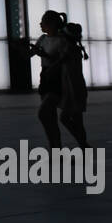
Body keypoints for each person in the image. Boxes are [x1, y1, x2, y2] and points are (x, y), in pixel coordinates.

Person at [29, 10, 89, 148]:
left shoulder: (65, 42)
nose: (40, 24)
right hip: (47, 78)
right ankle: (75, 147)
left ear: (53, 23)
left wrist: (44, 56)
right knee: (56, 117)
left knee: (50, 114)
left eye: (43, 21)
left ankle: (81, 146)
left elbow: (60, 61)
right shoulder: (43, 39)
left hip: (60, 81)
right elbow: (34, 55)